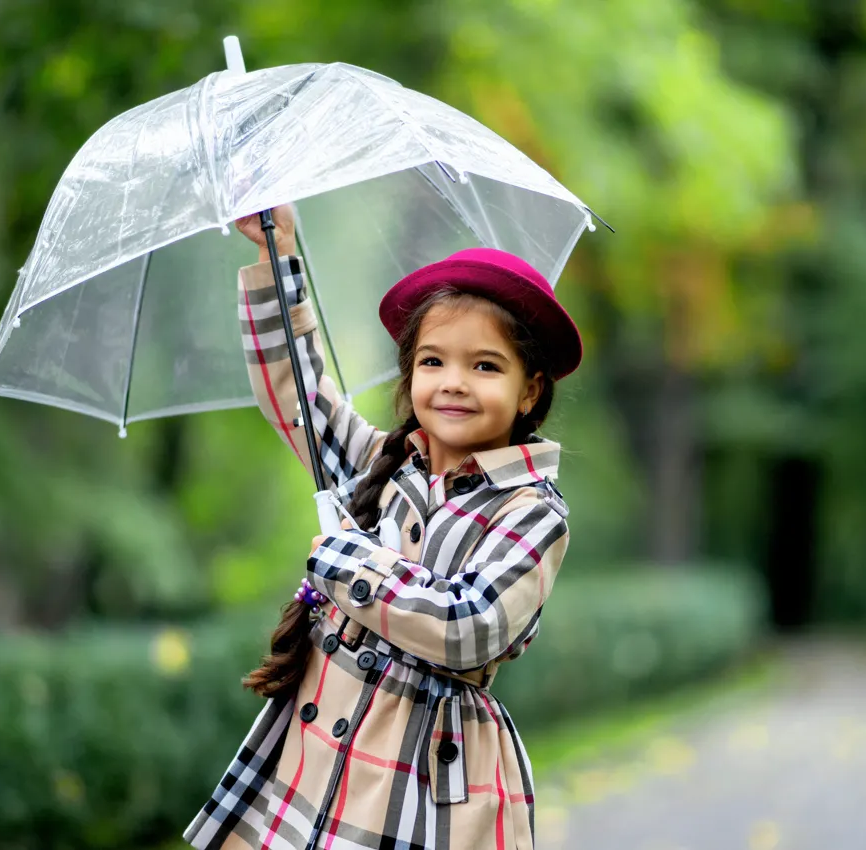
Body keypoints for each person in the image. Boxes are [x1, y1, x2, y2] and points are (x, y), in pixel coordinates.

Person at [184, 205, 580, 850]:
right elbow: (299, 396)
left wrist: (348, 567)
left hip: (423, 779)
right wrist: (276, 254)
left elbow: (470, 625)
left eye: (485, 366)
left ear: (529, 390)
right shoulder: (382, 465)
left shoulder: (531, 511)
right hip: (315, 754)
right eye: (432, 362)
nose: (453, 383)